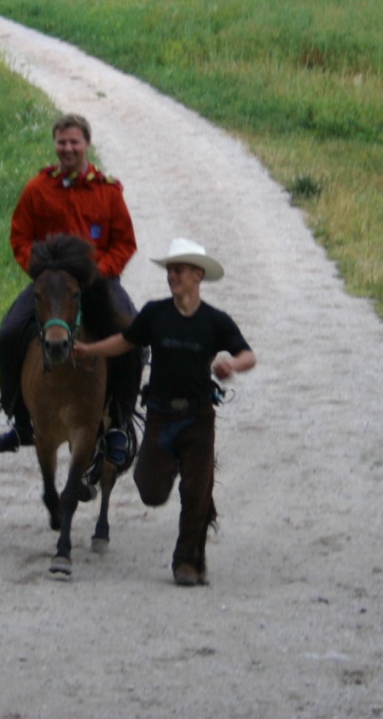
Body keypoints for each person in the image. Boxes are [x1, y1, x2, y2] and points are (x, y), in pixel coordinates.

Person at [73, 237, 256, 587]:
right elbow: (126, 341)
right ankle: (173, 467)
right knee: (150, 491)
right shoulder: (155, 314)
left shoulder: (215, 321)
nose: (172, 276)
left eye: (179, 270)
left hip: (199, 418)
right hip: (159, 415)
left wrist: (232, 365)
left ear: (197, 275)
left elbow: (248, 356)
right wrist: (90, 350)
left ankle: (188, 563)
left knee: (195, 494)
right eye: (170, 270)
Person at [0, 113, 141, 465]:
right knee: (8, 334)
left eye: (74, 142)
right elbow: (20, 237)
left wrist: (96, 273)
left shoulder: (107, 191)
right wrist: (40, 271)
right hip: (52, 286)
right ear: (55, 144)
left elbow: (124, 243)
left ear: (87, 144)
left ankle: (119, 423)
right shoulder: (38, 188)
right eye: (62, 142)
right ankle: (20, 421)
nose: (68, 148)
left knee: (133, 339)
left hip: (99, 283)